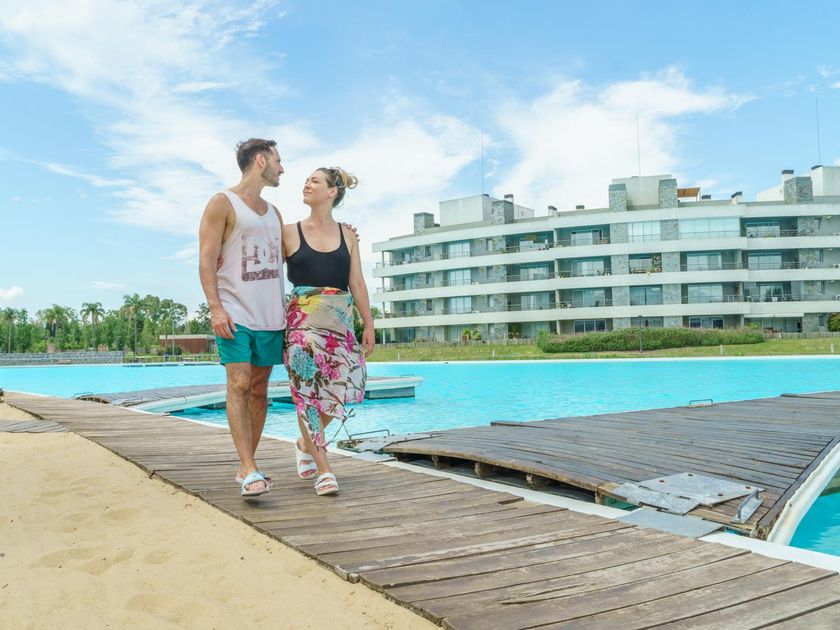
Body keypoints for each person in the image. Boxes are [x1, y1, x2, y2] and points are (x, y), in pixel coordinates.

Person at [198, 138, 285, 497]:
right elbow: (206, 259)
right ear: (260, 161)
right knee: (239, 383)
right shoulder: (222, 202)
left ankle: (247, 463)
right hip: (235, 312)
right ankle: (249, 468)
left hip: (271, 316)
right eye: (278, 161)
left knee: (260, 389)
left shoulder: (275, 213)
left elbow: (293, 251)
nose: (282, 169)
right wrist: (215, 307)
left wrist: (344, 234)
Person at [283, 166, 375, 496]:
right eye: (306, 180)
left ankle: (304, 443)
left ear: (332, 192)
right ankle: (324, 468)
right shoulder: (288, 232)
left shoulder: (347, 235)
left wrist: (369, 323)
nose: (307, 184)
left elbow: (357, 282)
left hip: (340, 326)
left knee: (345, 387)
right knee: (307, 394)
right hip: (301, 328)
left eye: (315, 181)